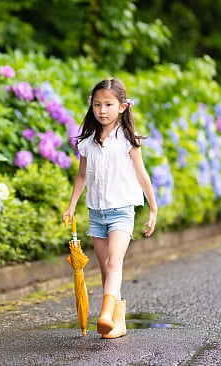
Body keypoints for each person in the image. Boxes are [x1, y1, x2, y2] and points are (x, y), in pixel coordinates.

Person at [61, 78, 158, 339]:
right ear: (91, 106)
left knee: (115, 261)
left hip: (122, 211)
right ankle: (118, 321)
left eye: (108, 104)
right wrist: (71, 205)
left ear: (123, 107)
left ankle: (104, 315)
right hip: (97, 213)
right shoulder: (88, 143)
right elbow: (81, 177)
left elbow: (142, 176)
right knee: (105, 268)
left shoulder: (128, 140)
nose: (102, 110)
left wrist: (153, 209)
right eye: (97, 104)